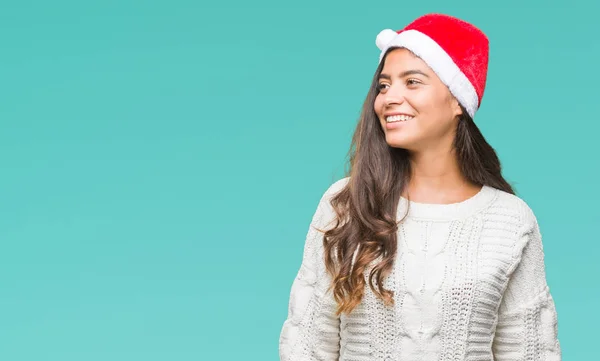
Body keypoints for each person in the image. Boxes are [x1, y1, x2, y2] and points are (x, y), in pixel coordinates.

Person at [278, 13, 562, 361]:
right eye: (383, 85)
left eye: (412, 82)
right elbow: (306, 347)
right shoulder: (346, 203)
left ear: (457, 100)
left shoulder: (510, 220)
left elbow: (531, 353)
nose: (388, 99)